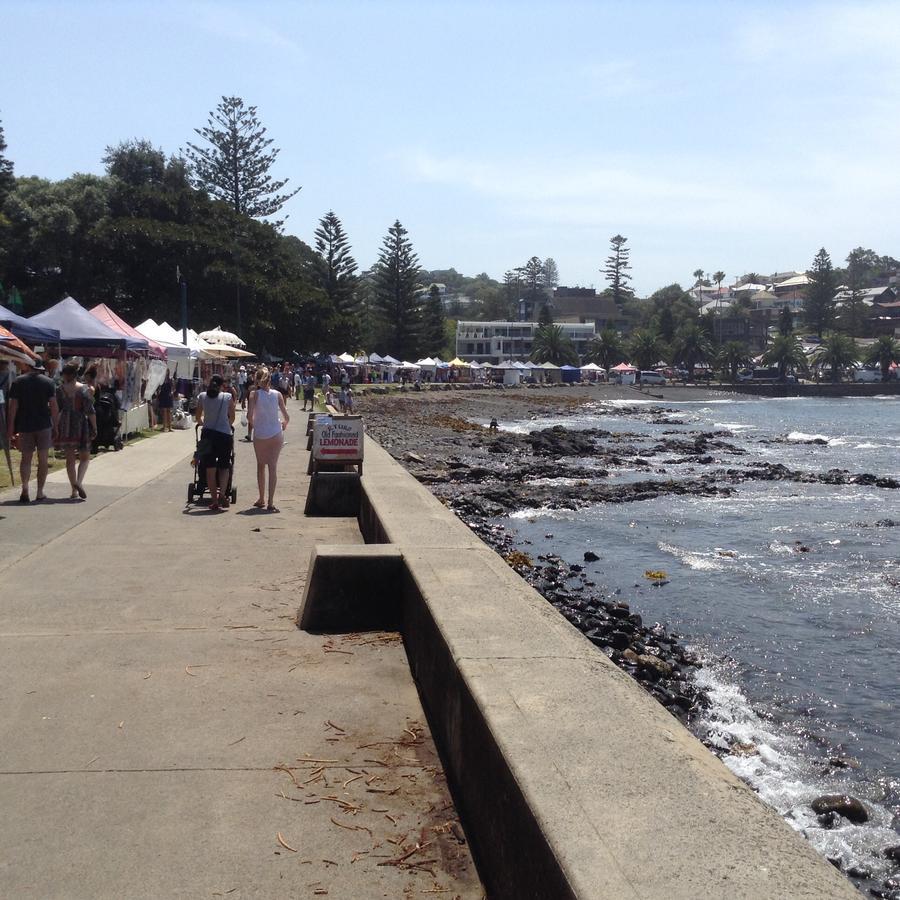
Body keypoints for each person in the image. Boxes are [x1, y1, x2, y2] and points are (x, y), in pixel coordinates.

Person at [6, 360, 59, 502]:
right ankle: (40, 492)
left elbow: (13, 407)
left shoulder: (18, 382)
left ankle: (25, 488)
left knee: (26, 458)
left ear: (28, 366)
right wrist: (56, 426)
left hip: (25, 425)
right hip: (43, 424)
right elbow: (54, 406)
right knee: (43, 459)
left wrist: (10, 427)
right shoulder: (48, 382)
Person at [247, 366, 289, 512]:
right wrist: (284, 424)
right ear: (270, 380)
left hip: (260, 435)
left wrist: (256, 424)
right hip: (276, 433)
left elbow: (249, 416)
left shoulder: (254, 394)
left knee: (260, 466)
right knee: (273, 467)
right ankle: (271, 502)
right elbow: (286, 416)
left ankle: (261, 498)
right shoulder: (277, 394)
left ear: (257, 380)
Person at [55, 362, 97, 500]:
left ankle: (73, 490)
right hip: (80, 422)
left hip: (66, 423)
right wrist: (94, 427)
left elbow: (57, 409)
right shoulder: (84, 389)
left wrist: (55, 426)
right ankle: (79, 482)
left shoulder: (60, 389)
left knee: (70, 458)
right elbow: (90, 410)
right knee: (85, 456)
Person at [195, 374, 235, 511]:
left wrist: (204, 423)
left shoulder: (202, 396)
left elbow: (198, 417)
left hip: (207, 435)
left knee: (209, 469)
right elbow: (232, 417)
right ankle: (222, 493)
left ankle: (214, 501)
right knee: (224, 466)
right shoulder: (227, 397)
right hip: (224, 435)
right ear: (222, 385)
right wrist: (226, 425)